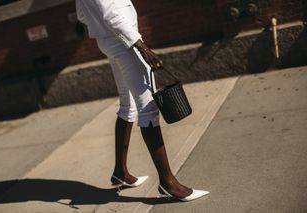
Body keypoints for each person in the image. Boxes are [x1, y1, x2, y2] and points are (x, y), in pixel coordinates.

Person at [75, 0, 209, 201]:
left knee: (128, 104)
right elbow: (110, 12)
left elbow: (82, 15)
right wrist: (141, 45)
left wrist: (103, 29)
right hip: (124, 42)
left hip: (109, 40)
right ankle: (168, 183)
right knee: (149, 108)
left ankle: (120, 172)